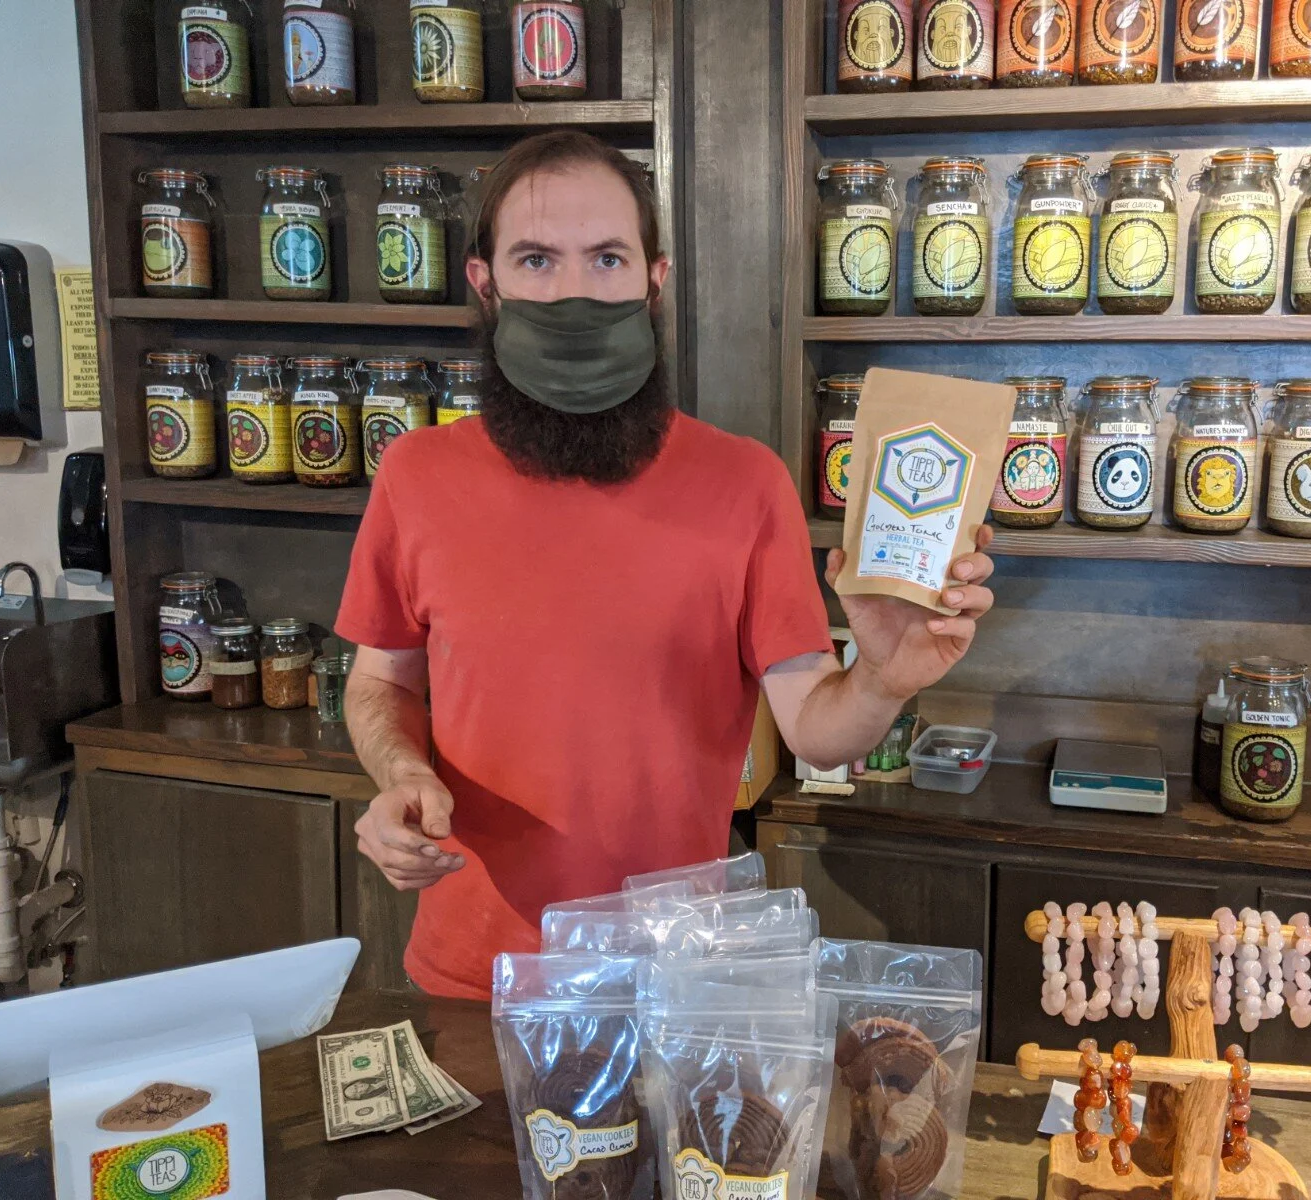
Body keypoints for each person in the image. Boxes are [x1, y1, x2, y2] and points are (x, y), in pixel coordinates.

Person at [334, 131, 997, 999]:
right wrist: (402, 774)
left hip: (675, 981)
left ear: (655, 278)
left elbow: (814, 730)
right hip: (475, 978)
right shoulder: (416, 476)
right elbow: (380, 681)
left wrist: (882, 677)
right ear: (484, 281)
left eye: (606, 258)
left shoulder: (745, 482)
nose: (574, 292)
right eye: (536, 259)